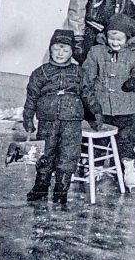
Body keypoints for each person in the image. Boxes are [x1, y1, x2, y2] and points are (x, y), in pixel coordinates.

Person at [23, 29, 100, 204]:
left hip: (71, 121)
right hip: (47, 120)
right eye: (57, 48)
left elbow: (88, 94)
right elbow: (32, 96)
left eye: (65, 50)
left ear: (72, 52)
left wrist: (96, 114)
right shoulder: (40, 73)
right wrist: (28, 117)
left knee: (68, 154)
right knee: (45, 153)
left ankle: (61, 189)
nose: (60, 53)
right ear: (50, 49)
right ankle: (41, 186)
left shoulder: (79, 72)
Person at [82, 13, 135, 191]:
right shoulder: (96, 52)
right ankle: (95, 167)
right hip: (100, 107)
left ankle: (127, 168)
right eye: (112, 38)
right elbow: (87, 74)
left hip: (125, 108)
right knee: (99, 141)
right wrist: (88, 90)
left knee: (125, 141)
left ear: (128, 38)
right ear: (106, 36)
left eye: (119, 39)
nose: (115, 42)